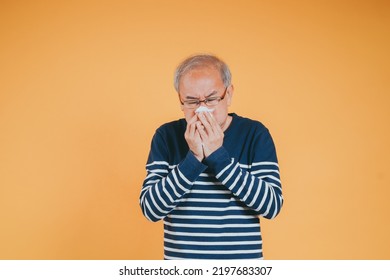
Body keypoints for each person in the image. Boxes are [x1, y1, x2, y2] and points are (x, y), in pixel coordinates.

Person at [139, 54, 283, 260]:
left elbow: (271, 206)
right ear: (180, 101)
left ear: (229, 94)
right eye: (191, 101)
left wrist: (218, 156)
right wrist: (194, 158)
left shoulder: (255, 134)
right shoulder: (166, 136)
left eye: (212, 99)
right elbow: (151, 210)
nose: (202, 109)